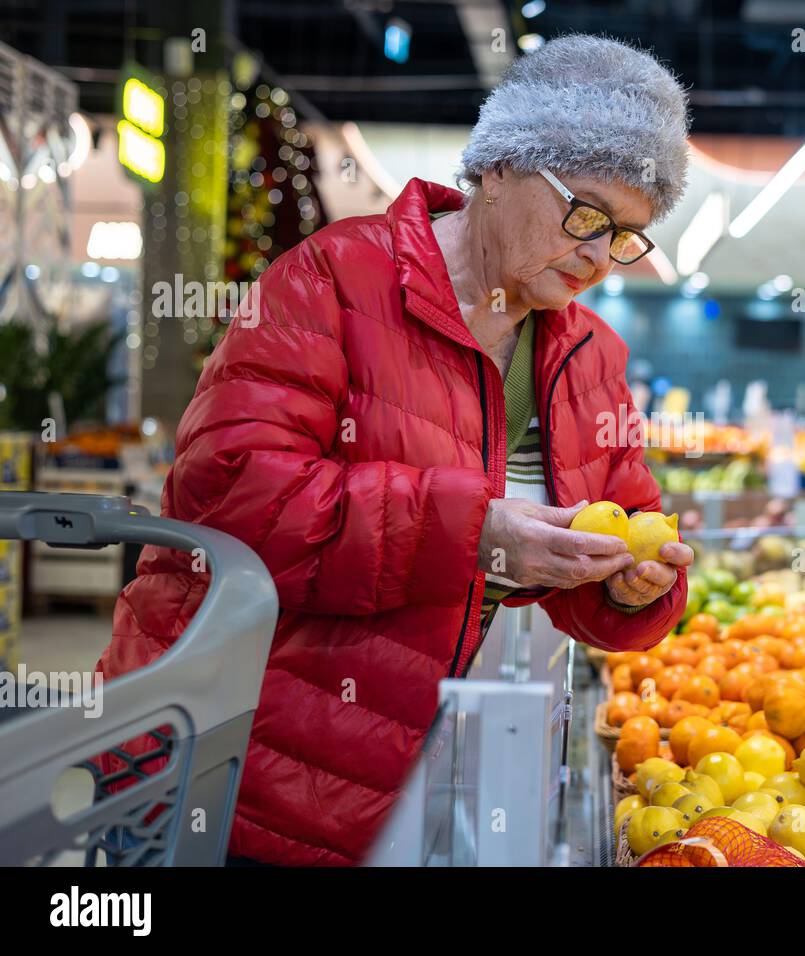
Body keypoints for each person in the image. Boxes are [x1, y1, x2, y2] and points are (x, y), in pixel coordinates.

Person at [96, 35, 693, 866]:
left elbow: (625, 519)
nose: (599, 254)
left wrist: (633, 585)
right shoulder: (331, 282)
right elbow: (228, 496)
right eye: (585, 213)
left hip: (420, 777)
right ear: (499, 166)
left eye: (628, 234)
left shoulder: (588, 355)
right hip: (241, 757)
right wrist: (473, 533)